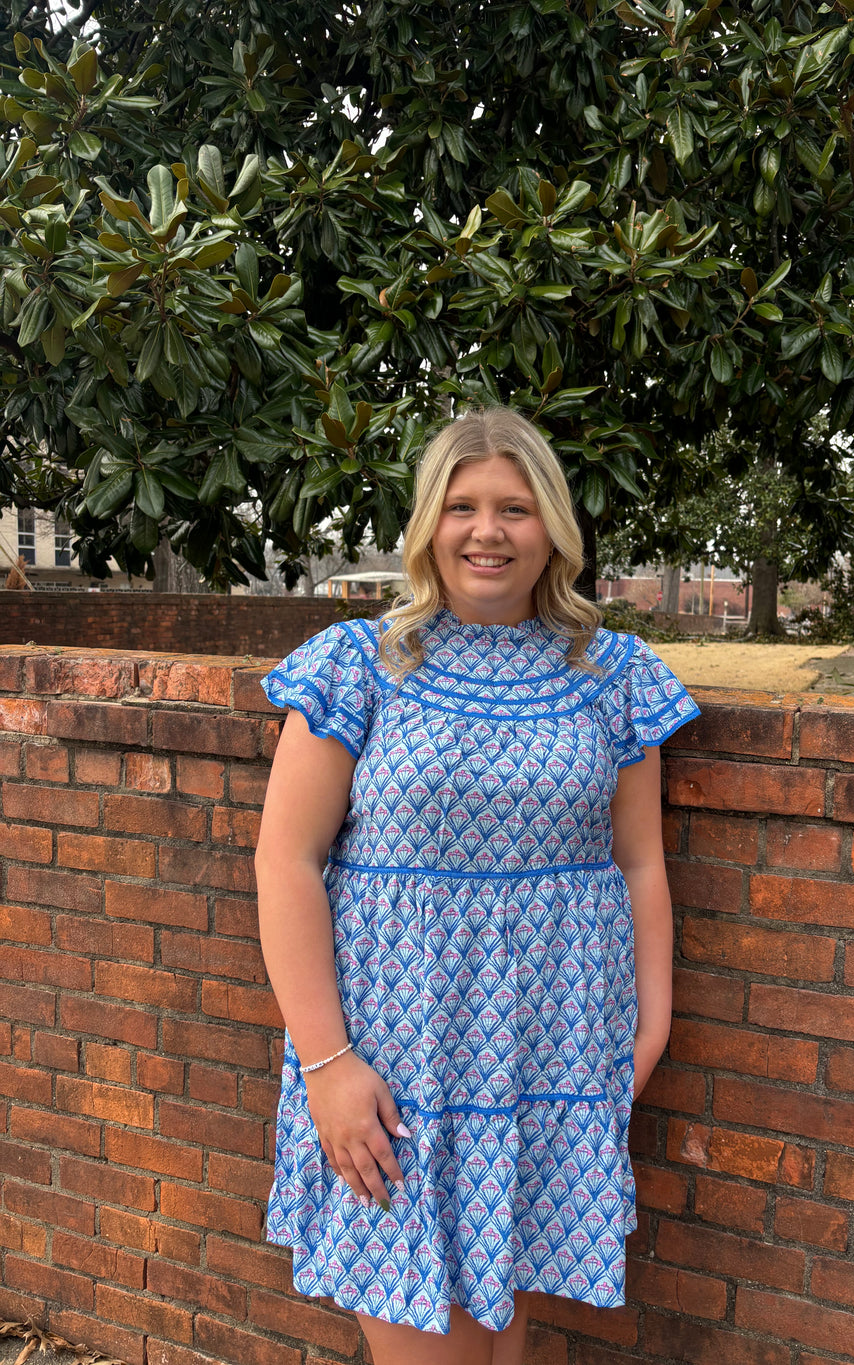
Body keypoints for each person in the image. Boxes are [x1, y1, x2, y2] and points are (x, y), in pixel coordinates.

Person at [254, 406, 699, 1365]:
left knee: (505, 1338)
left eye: (515, 507)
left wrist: (650, 1026)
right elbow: (284, 861)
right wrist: (328, 1065)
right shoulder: (360, 664)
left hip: (554, 1058)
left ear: (553, 530)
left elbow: (638, 865)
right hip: (393, 1071)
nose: (487, 531)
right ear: (428, 525)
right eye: (462, 506)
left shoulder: (612, 673)